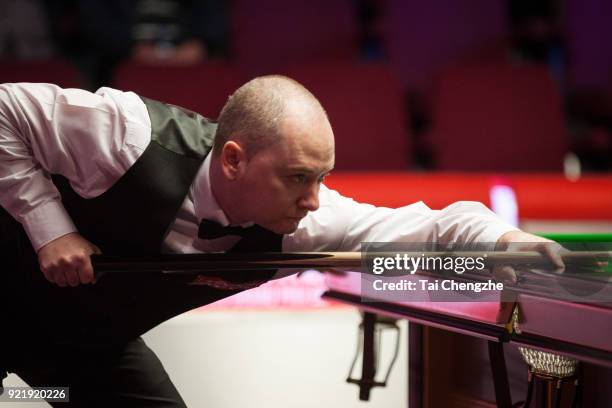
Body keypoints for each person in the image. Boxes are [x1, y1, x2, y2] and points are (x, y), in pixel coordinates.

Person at [0, 76, 561, 407]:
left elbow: (435, 227)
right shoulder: (127, 135)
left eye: (322, 177)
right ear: (235, 159)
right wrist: (52, 228)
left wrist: (506, 238)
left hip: (86, 346)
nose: (314, 199)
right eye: (297, 177)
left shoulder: (305, 225)